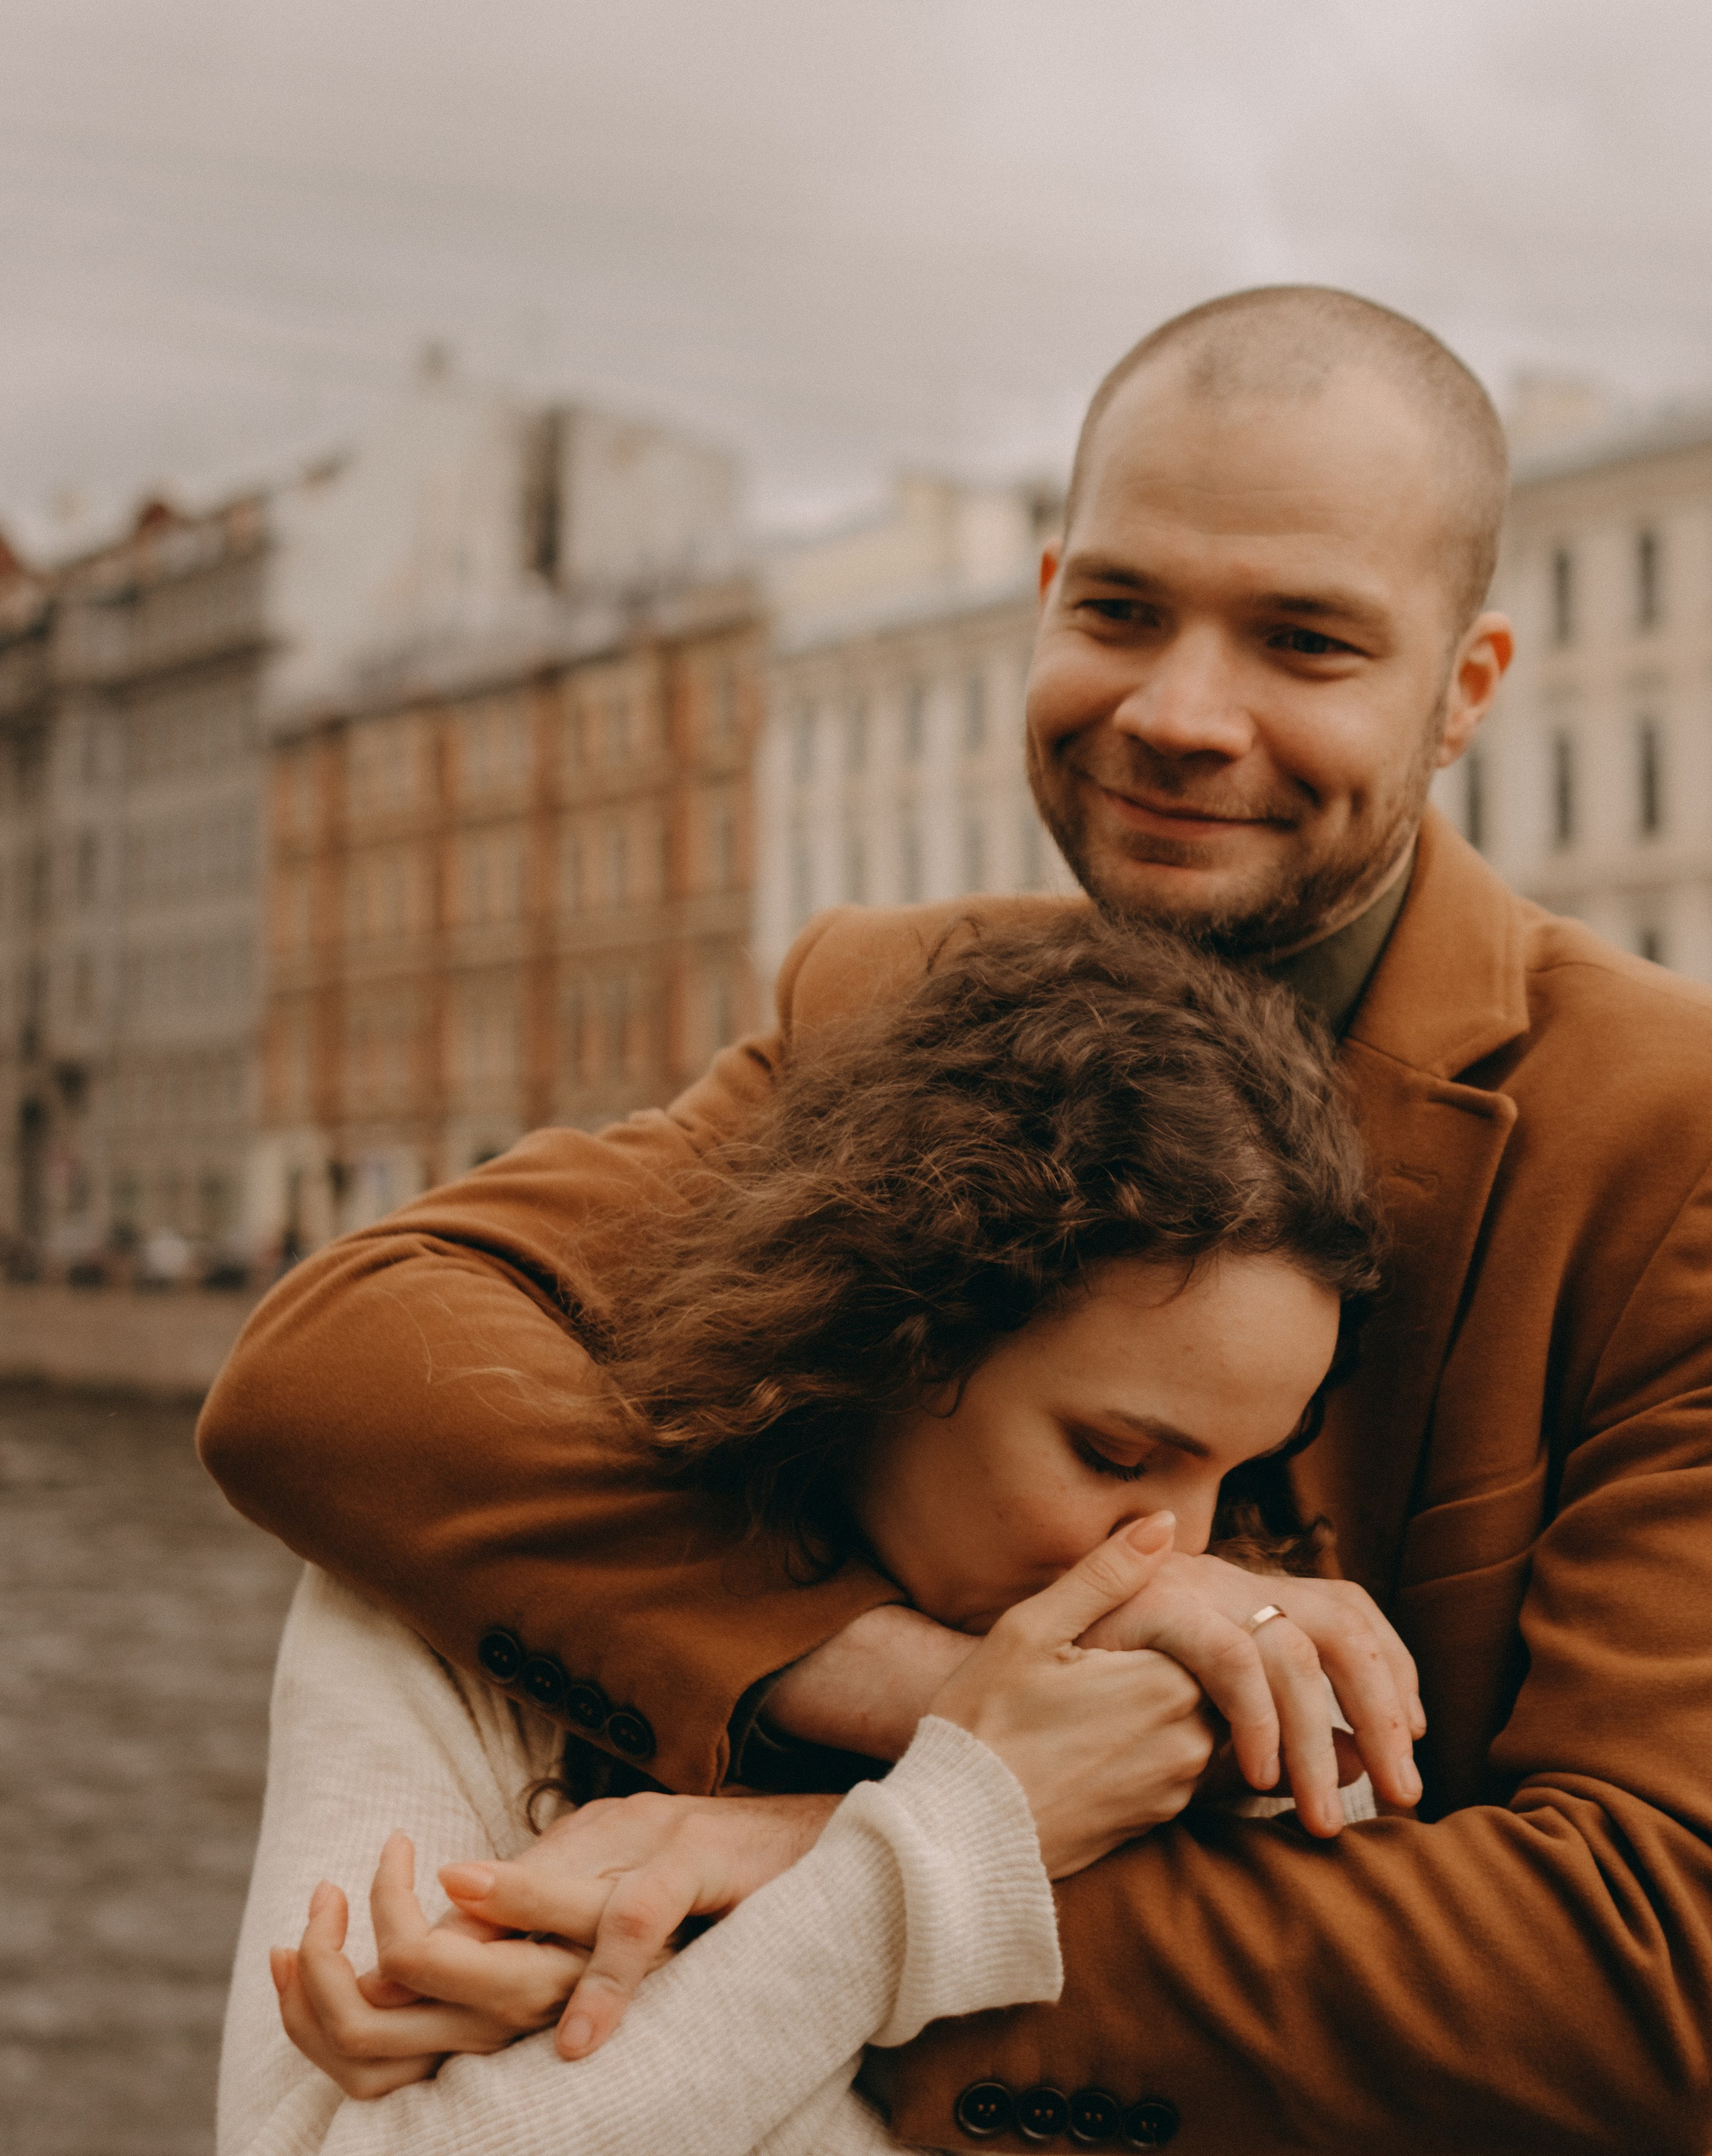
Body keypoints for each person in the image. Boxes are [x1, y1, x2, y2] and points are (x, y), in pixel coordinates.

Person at [203, 284, 1712, 2153]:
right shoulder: (897, 1002)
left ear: (1465, 689)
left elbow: (1658, 1965)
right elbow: (337, 1362)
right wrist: (932, 1699)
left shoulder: (1668, 1131)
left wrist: (813, 1880)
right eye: (1119, 612)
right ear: (1045, 596)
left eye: (1304, 642)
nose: (1177, 714)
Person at [220, 926, 1390, 2153]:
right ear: (898, 1333)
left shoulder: (1247, 1690)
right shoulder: (454, 1585)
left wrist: (798, 1858)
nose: (1176, 1547)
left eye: (1235, 1474)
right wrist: (953, 1834)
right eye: (1114, 1455)